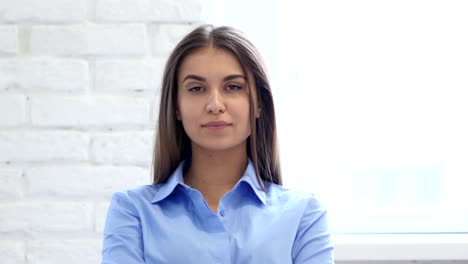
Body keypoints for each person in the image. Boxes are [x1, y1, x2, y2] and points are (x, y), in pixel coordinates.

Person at [101, 24, 334, 263]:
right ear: (176, 108)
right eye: (196, 88)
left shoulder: (303, 215)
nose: (214, 104)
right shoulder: (132, 212)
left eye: (233, 87)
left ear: (259, 103)